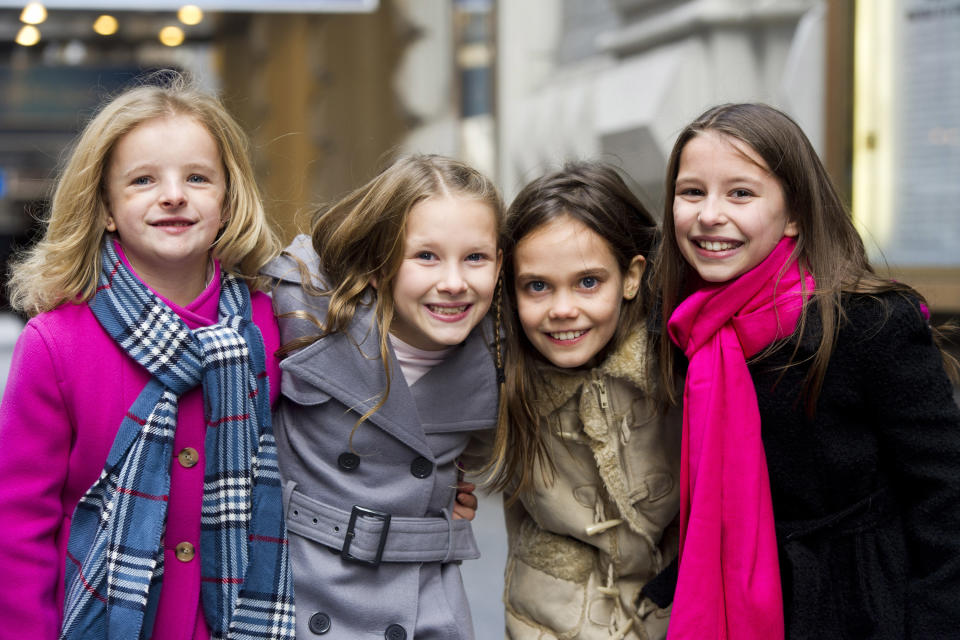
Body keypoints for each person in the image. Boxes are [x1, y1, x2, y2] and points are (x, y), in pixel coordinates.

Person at [0, 74, 294, 640]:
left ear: (228, 200)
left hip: (238, 621)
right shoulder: (56, 342)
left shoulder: (271, 323)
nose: (173, 194)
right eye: (142, 180)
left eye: (197, 178)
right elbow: (18, 524)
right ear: (106, 207)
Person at [656, 102, 960, 639]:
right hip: (742, 602)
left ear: (794, 213)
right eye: (692, 191)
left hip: (862, 606)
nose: (709, 214)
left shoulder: (869, 324)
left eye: (741, 193)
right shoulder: (692, 329)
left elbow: (945, 495)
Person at [263, 153, 502, 639]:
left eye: (475, 257)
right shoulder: (295, 313)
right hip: (299, 595)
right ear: (377, 264)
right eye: (426, 256)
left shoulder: (502, 355)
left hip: (426, 604)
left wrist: (446, 491)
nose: (454, 283)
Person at [483, 162, 680, 639]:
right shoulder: (498, 375)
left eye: (588, 282)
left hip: (677, 615)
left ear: (631, 276)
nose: (563, 309)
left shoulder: (680, 368)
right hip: (550, 623)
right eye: (537, 286)